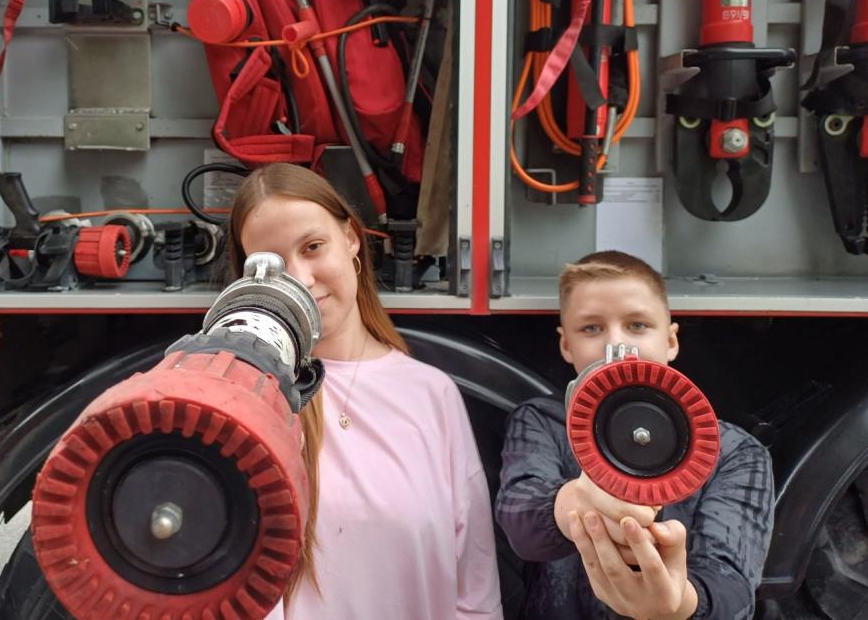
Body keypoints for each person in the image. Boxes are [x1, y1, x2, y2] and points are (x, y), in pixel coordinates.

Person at [230, 163, 502, 620]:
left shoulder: (431, 395)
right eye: (274, 264)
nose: (300, 278)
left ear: (351, 239)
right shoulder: (248, 401)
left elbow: (476, 590)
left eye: (313, 247)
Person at [494, 250, 774, 620]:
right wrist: (571, 504)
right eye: (591, 328)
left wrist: (677, 604)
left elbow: (732, 586)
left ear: (671, 341)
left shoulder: (735, 452)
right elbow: (519, 519)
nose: (617, 346)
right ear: (565, 345)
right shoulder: (541, 422)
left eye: (637, 325)